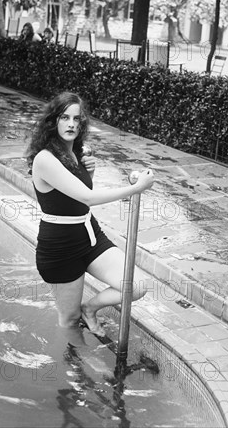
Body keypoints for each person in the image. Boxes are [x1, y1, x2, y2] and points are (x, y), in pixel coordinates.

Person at [26, 91, 154, 336]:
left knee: (136, 285)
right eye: (65, 118)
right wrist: (135, 188)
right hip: (61, 246)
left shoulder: (75, 152)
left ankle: (90, 308)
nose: (72, 124)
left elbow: (77, 195)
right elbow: (87, 198)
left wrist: (89, 174)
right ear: (53, 121)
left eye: (77, 118)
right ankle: (73, 365)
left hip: (89, 235)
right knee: (69, 320)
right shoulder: (45, 159)